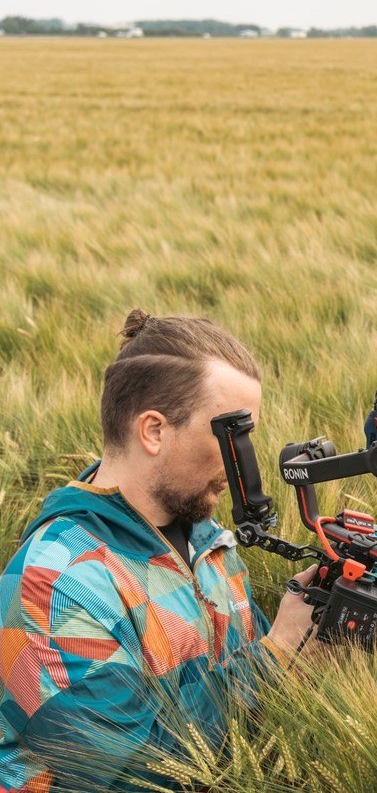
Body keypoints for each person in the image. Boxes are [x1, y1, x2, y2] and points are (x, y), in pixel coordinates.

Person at [0, 310, 318, 790]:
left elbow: (248, 697)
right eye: (232, 435)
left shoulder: (210, 541)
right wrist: (278, 655)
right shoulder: (53, 585)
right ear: (153, 430)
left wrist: (314, 647)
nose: (243, 465)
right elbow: (135, 770)